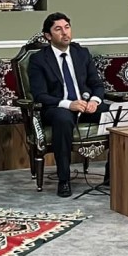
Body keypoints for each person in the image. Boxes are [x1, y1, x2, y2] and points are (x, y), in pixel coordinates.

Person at [26, 12, 109, 198]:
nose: (65, 33)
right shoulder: (39, 59)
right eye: (58, 29)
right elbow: (40, 95)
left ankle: (111, 175)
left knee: (115, 113)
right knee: (63, 119)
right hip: (57, 108)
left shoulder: (82, 53)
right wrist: (68, 104)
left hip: (85, 105)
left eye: (67, 27)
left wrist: (94, 101)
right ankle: (64, 180)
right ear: (48, 35)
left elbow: (97, 84)